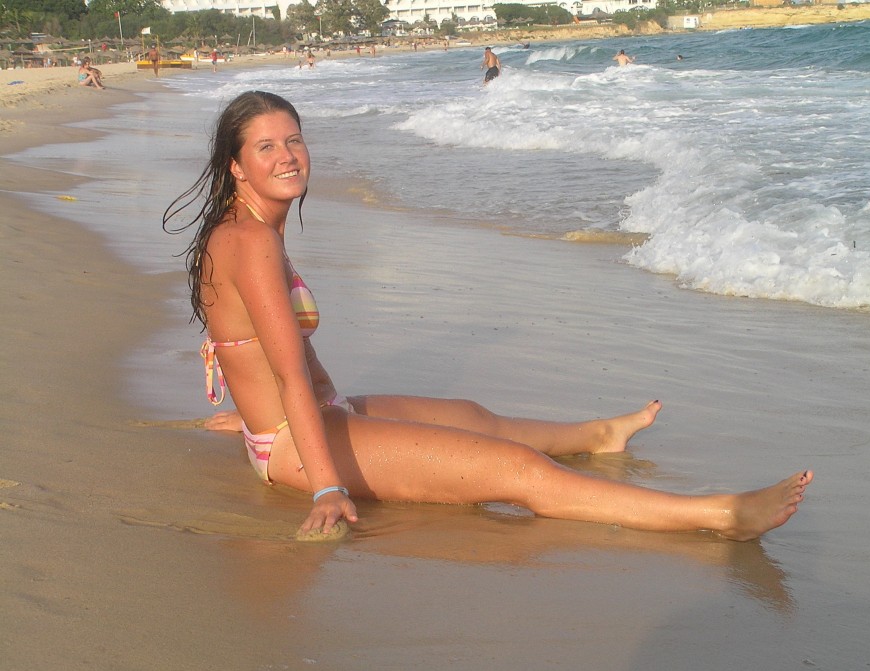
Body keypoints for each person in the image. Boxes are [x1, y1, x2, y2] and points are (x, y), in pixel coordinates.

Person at [163, 91, 813, 540]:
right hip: (298, 450)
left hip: (294, 425)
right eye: (267, 147)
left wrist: (252, 413)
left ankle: (598, 436)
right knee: (516, 473)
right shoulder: (251, 242)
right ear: (237, 167)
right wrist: (327, 488)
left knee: (475, 418)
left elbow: (245, 343)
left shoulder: (247, 228)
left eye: (294, 140)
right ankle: (721, 516)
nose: (287, 156)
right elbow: (288, 374)